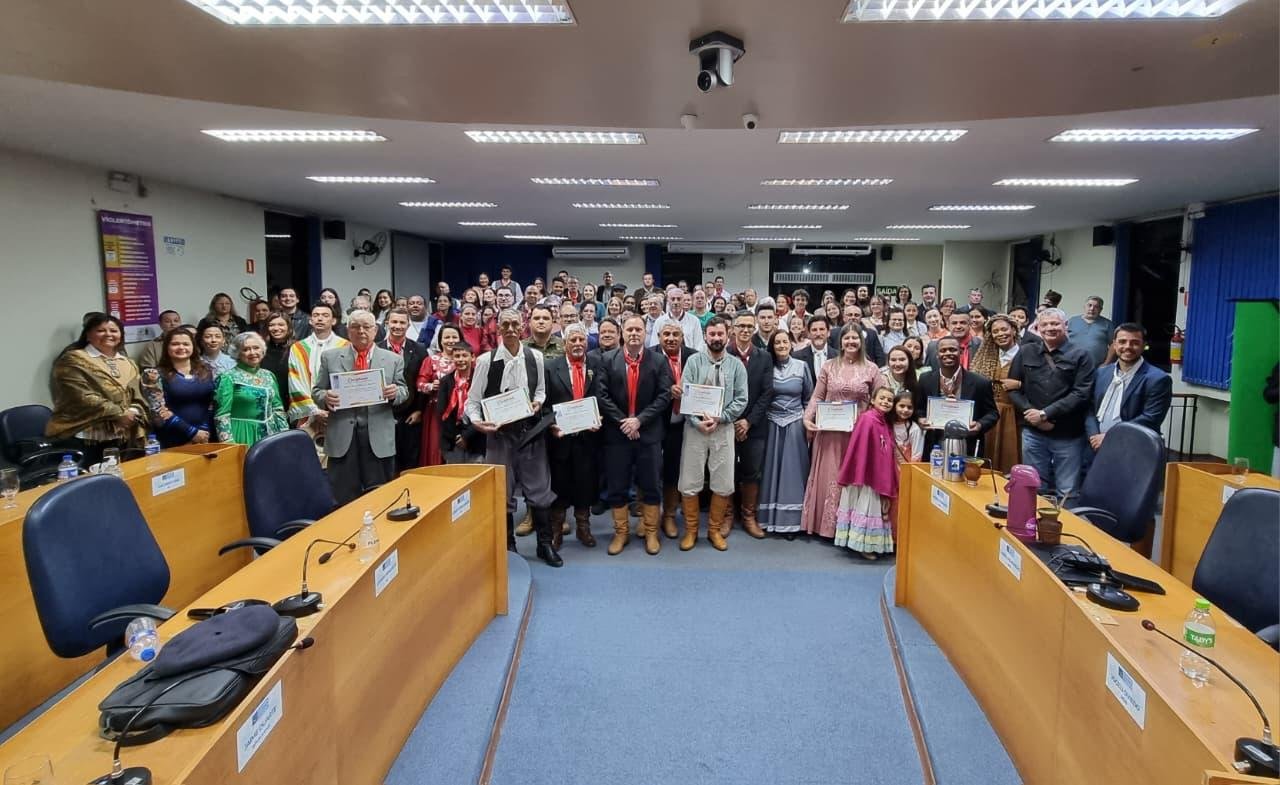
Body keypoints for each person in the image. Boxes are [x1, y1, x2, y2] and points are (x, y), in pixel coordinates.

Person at [467, 309, 562, 567]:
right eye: (505, 324)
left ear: (523, 327)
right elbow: (472, 402)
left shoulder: (535, 357)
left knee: (540, 488)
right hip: (499, 435)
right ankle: (508, 545)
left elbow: (541, 390)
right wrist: (476, 422)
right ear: (498, 328)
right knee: (501, 491)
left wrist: (537, 402)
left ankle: (544, 544)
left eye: (514, 324)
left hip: (531, 433)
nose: (510, 329)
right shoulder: (485, 361)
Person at [597, 314, 673, 555]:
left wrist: (639, 420)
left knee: (651, 485)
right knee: (617, 485)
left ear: (645, 333)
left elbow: (664, 395)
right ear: (622, 332)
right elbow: (602, 395)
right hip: (617, 434)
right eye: (629, 329)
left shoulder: (659, 361)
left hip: (648, 433)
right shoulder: (607, 360)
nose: (633, 333)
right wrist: (624, 422)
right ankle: (621, 534)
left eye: (638, 329)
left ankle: (651, 532)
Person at [314, 310, 408, 505]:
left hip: (378, 436)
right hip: (342, 436)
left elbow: (404, 391)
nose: (361, 331)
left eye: (366, 327)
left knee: (380, 496)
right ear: (348, 330)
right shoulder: (330, 357)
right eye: (356, 326)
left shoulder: (393, 359)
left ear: (375, 330)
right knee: (343, 497)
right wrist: (326, 397)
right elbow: (317, 391)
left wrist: (394, 393)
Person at [801, 330, 884, 539]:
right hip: (830, 432)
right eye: (847, 338)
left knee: (853, 478)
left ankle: (850, 529)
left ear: (861, 341)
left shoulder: (872, 369)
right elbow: (817, 396)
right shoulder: (829, 366)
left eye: (855, 338)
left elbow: (882, 398)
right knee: (829, 476)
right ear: (841, 342)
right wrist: (807, 418)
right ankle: (825, 527)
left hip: (858, 434)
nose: (851, 341)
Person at [1006, 308, 1096, 496]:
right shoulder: (1026, 351)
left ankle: (1067, 516)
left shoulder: (1081, 355)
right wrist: (1032, 414)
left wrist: (1045, 414)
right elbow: (1012, 388)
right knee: (1033, 487)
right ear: (1038, 328)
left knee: (1067, 491)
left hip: (1068, 434)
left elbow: (1081, 393)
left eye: (1055, 324)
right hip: (1033, 432)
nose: (1049, 328)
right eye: (1044, 324)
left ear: (1066, 325)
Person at [677, 318, 748, 552]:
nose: (716, 338)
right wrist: (696, 422)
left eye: (720, 334)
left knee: (723, 481)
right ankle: (691, 531)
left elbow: (742, 399)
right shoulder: (693, 362)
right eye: (712, 334)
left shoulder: (736, 366)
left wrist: (722, 417)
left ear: (728, 335)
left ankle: (714, 530)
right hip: (695, 429)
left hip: (723, 428)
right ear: (705, 336)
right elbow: (685, 395)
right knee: (689, 480)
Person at [47, 312, 148, 464]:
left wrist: (132, 412)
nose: (108, 334)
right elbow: (80, 395)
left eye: (114, 331)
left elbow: (139, 392)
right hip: (87, 435)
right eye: (101, 330)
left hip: (124, 432)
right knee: (93, 477)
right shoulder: (73, 359)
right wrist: (119, 413)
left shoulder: (128, 362)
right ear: (88, 335)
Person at [544, 323, 603, 550]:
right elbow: (544, 404)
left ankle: (583, 527)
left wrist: (599, 418)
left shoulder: (597, 365)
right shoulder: (551, 368)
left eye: (581, 340)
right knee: (559, 485)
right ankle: (556, 530)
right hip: (560, 438)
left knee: (585, 484)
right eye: (573, 340)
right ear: (564, 343)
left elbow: (604, 397)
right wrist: (552, 425)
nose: (578, 344)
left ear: (587, 342)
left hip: (589, 438)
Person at [758, 331, 813, 538]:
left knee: (793, 472)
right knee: (770, 471)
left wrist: (807, 423)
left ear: (791, 344)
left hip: (795, 423)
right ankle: (769, 518)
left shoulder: (802, 366)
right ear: (772, 346)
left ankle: (792, 522)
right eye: (777, 342)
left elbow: (809, 397)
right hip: (771, 423)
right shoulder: (766, 366)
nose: (781, 345)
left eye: (785, 341)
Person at [1084, 323, 1172, 452]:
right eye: (1122, 342)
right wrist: (1093, 436)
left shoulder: (1158, 379)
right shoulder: (1101, 373)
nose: (1127, 347)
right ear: (1114, 344)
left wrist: (1111, 436)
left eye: (1135, 343)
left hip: (1134, 448)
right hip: (1097, 446)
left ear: (1144, 345)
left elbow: (1151, 418)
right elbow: (1090, 408)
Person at [834, 386, 899, 559]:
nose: (886, 402)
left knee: (871, 507)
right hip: (867, 475)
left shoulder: (884, 422)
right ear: (872, 400)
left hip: (877, 472)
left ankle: (865, 542)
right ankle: (862, 544)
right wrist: (864, 471)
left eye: (890, 400)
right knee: (865, 505)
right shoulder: (867, 419)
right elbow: (861, 449)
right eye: (882, 398)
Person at [727, 311, 775, 540]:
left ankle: (748, 516)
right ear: (733, 329)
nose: (745, 330)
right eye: (741, 326)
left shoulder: (764, 357)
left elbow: (767, 393)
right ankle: (727, 515)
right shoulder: (723, 353)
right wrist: (732, 420)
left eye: (749, 326)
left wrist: (748, 421)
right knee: (726, 471)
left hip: (754, 426)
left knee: (752, 471)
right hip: (726, 425)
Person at [915, 336, 1000, 458]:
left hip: (968, 444)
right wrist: (920, 419)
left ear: (960, 352)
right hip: (935, 444)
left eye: (952, 349)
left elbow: (993, 413)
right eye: (943, 350)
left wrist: (979, 425)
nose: (947, 353)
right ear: (937, 354)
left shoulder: (980, 382)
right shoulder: (925, 379)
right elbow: (919, 409)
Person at [657, 322, 697, 540]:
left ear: (682, 337)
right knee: (649, 467)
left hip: (685, 422)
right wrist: (667, 391)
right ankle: (648, 516)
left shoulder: (694, 356)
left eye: (675, 334)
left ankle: (670, 515)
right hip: (656, 421)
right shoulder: (650, 355)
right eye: (666, 334)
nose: (671, 338)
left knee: (674, 468)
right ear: (659, 336)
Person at [969, 314, 1023, 473]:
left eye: (1004, 329)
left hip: (1015, 416)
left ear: (1013, 330)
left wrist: (1020, 385)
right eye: (995, 331)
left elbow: (1039, 385)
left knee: (1011, 458)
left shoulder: (1026, 354)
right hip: (990, 416)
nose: (1000, 334)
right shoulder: (987, 357)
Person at [214, 332, 288, 447]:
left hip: (271, 435)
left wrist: (285, 436)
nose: (252, 353)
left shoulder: (269, 375)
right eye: (246, 349)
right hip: (242, 434)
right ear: (238, 353)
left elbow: (277, 408)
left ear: (262, 350)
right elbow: (222, 415)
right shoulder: (228, 378)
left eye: (256, 348)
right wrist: (229, 444)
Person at [287, 302, 350, 433]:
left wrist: (333, 407)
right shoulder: (298, 348)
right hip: (308, 415)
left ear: (334, 321)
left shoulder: (346, 346)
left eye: (325, 315)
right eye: (316, 315)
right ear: (310, 320)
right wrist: (314, 411)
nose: (320, 318)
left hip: (338, 413)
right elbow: (295, 382)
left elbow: (348, 381)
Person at [379, 307, 429, 470]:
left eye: (402, 322)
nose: (398, 326)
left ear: (408, 325)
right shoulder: (376, 349)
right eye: (394, 322)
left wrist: (419, 410)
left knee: (409, 462)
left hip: (410, 415)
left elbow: (423, 381)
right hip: (383, 414)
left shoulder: (420, 349)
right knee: (386, 463)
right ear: (387, 323)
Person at [151, 328, 215, 447]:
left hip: (205, 435)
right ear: (166, 347)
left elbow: (211, 403)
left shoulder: (206, 370)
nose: (181, 347)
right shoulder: (155, 375)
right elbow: (158, 410)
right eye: (175, 344)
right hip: (172, 436)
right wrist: (192, 432)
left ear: (193, 347)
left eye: (186, 344)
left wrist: (203, 431)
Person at [416, 324, 461, 468]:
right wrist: (430, 386)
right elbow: (420, 383)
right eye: (447, 337)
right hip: (436, 412)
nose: (451, 340)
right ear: (440, 340)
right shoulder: (431, 360)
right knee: (435, 449)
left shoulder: (466, 359)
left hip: (460, 414)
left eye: (454, 337)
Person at [437, 341, 484, 464]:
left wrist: (467, 436)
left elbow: (484, 410)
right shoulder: (445, 381)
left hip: (476, 438)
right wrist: (457, 436)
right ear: (452, 358)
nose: (461, 359)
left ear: (472, 357)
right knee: (454, 474)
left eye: (464, 355)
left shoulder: (481, 378)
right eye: (457, 356)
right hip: (452, 441)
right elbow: (442, 412)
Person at [1067, 296, 1115, 366]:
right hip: (1072, 365)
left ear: (1100, 310)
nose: (1092, 309)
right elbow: (1062, 341)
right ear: (1084, 307)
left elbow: (1113, 345)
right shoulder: (1072, 321)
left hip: (1097, 367)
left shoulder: (1107, 324)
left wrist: (1106, 363)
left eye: (1096, 307)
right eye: (1089, 305)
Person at [259, 312, 294, 409]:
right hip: (266, 402)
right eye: (271, 325)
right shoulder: (261, 349)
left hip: (291, 402)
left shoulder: (296, 348)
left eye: (281, 324)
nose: (276, 328)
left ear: (288, 327)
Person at [793, 314, 835, 383]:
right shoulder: (797, 357)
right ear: (809, 334)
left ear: (828, 333)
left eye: (822, 329)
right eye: (814, 330)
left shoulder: (838, 356)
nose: (818, 334)